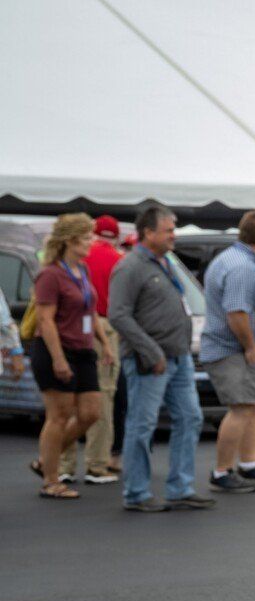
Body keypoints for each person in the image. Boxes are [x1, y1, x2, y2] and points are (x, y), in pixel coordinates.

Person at [111, 206, 211, 512]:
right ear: (149, 233)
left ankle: (180, 488)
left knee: (191, 417)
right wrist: (151, 351)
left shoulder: (163, 262)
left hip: (177, 357)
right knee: (142, 425)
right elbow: (118, 315)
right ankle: (136, 493)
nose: (173, 235)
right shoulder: (130, 267)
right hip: (149, 361)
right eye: (168, 230)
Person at [202, 210, 255, 492]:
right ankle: (221, 471)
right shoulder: (243, 267)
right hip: (235, 350)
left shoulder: (241, 260)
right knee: (241, 407)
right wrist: (250, 347)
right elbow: (237, 312)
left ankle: (249, 463)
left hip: (248, 351)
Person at [27, 214, 103, 501]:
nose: (91, 243)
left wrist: (104, 344)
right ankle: (50, 480)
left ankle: (45, 460)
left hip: (83, 350)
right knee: (59, 415)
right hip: (55, 350)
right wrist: (58, 359)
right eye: (86, 238)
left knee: (90, 413)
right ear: (70, 241)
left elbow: (90, 310)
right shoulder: (50, 274)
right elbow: (45, 321)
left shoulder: (82, 270)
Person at [57, 215, 125, 486]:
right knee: (102, 399)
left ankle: (63, 464)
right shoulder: (118, 260)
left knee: (69, 402)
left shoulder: (74, 264)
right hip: (104, 327)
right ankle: (97, 464)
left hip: (73, 329)